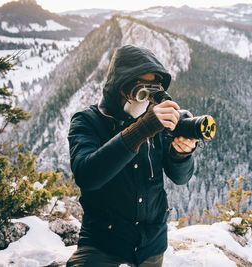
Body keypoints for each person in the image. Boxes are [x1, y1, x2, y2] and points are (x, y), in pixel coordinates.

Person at [66, 45, 198, 267]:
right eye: (140, 90)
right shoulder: (87, 121)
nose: (145, 100)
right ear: (120, 86)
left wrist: (181, 155)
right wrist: (142, 129)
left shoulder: (155, 121)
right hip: (102, 241)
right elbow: (87, 175)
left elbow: (181, 178)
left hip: (151, 244)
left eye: (152, 91)